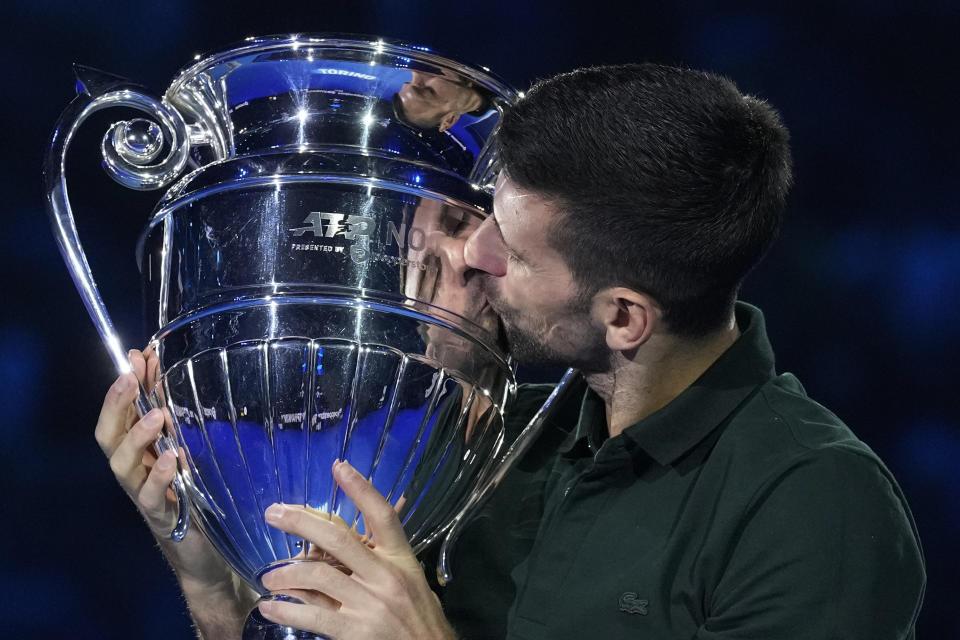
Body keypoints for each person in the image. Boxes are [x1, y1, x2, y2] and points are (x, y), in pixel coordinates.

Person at [95, 63, 926, 639]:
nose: (471, 252)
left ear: (625, 316)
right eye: (488, 211)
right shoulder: (479, 431)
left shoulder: (815, 508)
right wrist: (216, 586)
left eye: (514, 249)